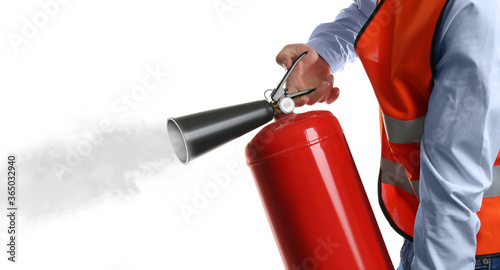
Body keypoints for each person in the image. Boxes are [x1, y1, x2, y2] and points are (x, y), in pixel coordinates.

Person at [275, 0, 500, 269]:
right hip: (427, 231)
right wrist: (323, 53)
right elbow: (372, 11)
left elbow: (454, 185)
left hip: (468, 248)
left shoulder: (475, 14)